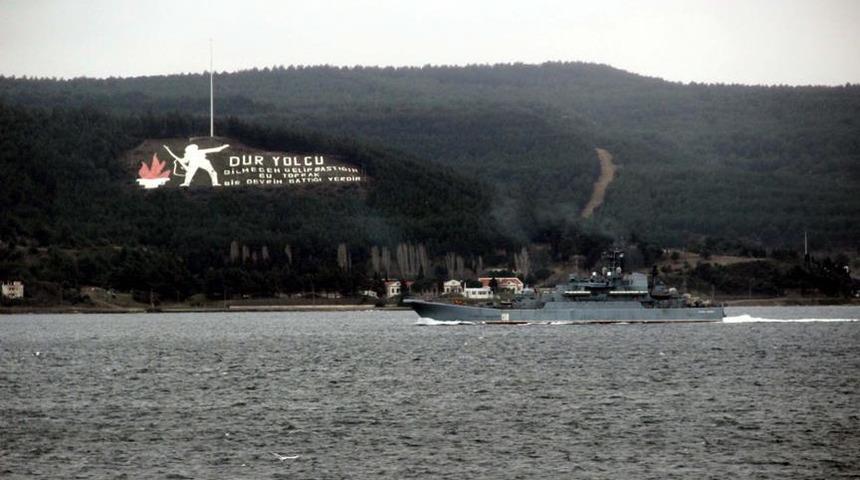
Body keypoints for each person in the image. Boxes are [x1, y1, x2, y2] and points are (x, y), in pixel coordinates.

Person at [163, 143, 229, 187]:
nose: (194, 149)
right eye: (192, 149)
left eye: (194, 148)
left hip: (204, 162)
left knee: (213, 172)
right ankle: (186, 183)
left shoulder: (199, 151)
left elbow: (215, 150)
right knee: (189, 173)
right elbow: (181, 160)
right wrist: (168, 150)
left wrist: (223, 147)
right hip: (194, 163)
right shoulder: (188, 156)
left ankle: (215, 183)